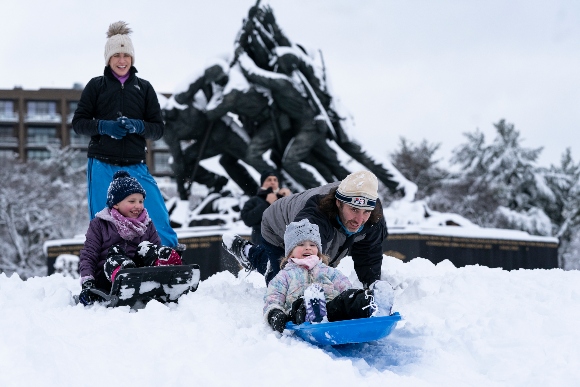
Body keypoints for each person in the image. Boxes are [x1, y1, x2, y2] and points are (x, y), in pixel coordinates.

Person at [72, 21, 180, 250]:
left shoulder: (144, 88)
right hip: (102, 163)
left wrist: (137, 126)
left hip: (135, 163)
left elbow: (158, 128)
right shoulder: (96, 86)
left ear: (132, 58)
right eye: (116, 55)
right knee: (104, 219)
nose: (122, 61)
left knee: (156, 214)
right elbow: (79, 124)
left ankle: (168, 255)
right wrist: (105, 127)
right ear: (108, 59)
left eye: (126, 55)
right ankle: (107, 264)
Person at [223, 170, 388, 286]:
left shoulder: (373, 217)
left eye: (366, 211)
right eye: (354, 210)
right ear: (339, 202)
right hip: (277, 225)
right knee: (283, 281)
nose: (359, 220)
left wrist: (372, 288)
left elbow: (369, 256)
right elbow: (303, 267)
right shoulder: (315, 215)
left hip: (323, 231)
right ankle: (248, 252)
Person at [263, 219, 395, 333]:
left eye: (312, 245)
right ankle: (314, 314)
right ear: (290, 252)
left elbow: (346, 289)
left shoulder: (328, 271)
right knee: (301, 306)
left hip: (332, 309)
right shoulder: (284, 276)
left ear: (318, 250)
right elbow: (273, 299)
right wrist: (275, 314)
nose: (307, 248)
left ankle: (374, 305)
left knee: (346, 300)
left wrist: (354, 299)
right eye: (301, 244)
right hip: (301, 315)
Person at [78, 171, 182, 306]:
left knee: (147, 248)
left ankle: (169, 270)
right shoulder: (100, 224)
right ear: (115, 204)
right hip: (107, 280)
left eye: (141, 201)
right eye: (132, 201)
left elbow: (155, 246)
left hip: (141, 277)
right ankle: (124, 275)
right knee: (115, 251)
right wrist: (88, 282)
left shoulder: (147, 224)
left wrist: (157, 254)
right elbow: (89, 254)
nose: (138, 206)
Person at [240, 170, 291, 244]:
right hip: (262, 244)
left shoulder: (285, 200)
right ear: (262, 183)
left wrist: (288, 200)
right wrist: (266, 204)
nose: (272, 182)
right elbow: (247, 219)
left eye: (275, 180)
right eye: (269, 180)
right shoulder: (255, 200)